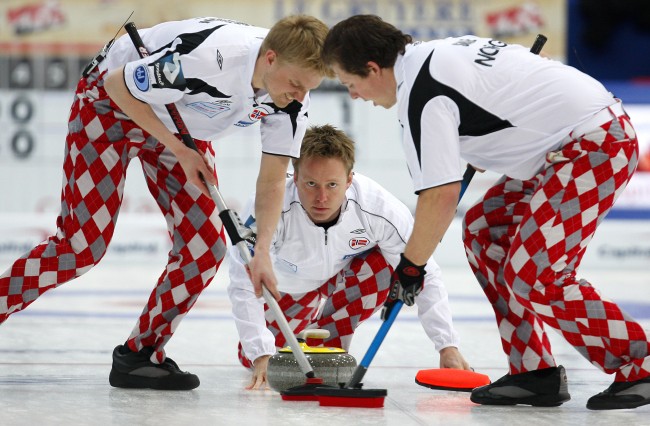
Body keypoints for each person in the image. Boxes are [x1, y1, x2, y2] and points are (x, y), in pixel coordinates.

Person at [321, 14, 650, 410]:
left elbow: (439, 197)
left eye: (349, 82)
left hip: (595, 145)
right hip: (561, 148)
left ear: (372, 69)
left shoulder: (420, 94)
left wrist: (410, 267)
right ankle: (534, 371)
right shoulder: (432, 55)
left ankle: (640, 362)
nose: (354, 95)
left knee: (537, 275)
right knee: (483, 230)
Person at [0, 15, 331, 390]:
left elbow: (272, 180)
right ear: (270, 58)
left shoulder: (290, 100)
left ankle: (140, 356)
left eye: (310, 88)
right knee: (81, 247)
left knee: (205, 248)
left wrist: (264, 253)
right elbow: (116, 86)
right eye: (295, 84)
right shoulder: (209, 59)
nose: (301, 96)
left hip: (178, 125)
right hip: (110, 109)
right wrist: (178, 148)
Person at [227, 124, 471, 390]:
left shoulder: (377, 207)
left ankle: (328, 350)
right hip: (285, 289)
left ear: (350, 180)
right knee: (253, 355)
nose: (322, 197)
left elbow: (423, 270)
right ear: (294, 178)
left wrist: (447, 345)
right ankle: (286, 341)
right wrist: (260, 353)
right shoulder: (269, 206)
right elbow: (242, 282)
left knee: (393, 265)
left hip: (342, 278)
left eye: (332, 184)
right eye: (311, 184)